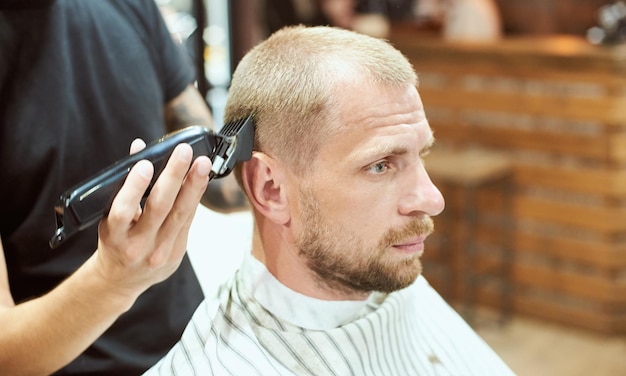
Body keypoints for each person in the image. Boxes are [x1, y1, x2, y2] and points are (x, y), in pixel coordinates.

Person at [146, 25, 515, 375]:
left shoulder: (385, 276)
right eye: (381, 166)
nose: (433, 199)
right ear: (270, 189)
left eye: (422, 155)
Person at [0, 0, 243, 374]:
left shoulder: (128, 5)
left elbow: (217, 177)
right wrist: (112, 280)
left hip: (192, 347)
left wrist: (291, 181)